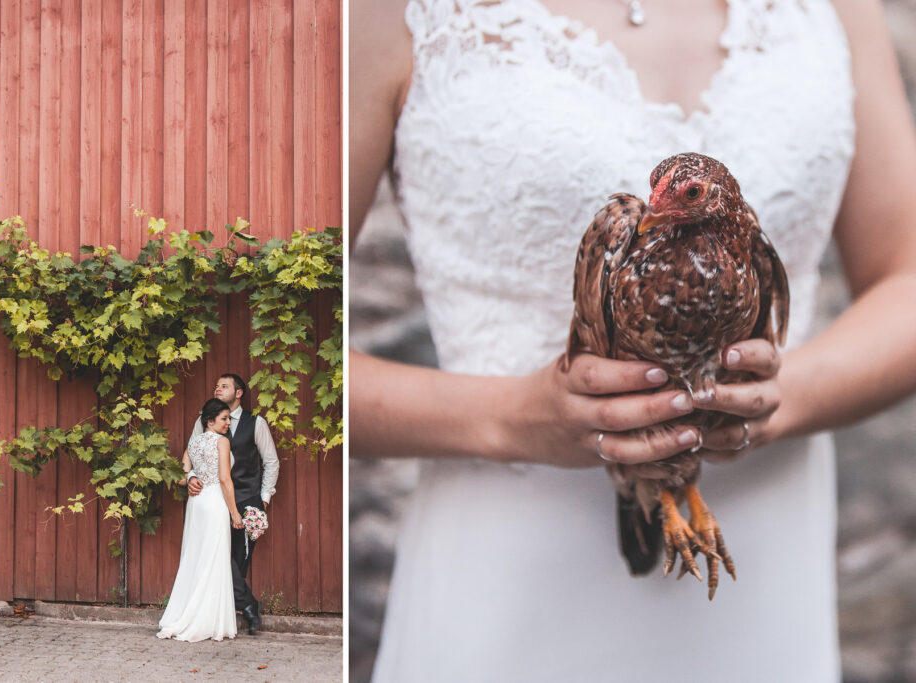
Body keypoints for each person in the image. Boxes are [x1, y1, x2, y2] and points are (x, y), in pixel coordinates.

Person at [350, 0, 916, 680]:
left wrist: (782, 396)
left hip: (767, 552)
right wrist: (511, 419)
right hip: (518, 561)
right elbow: (276, 356)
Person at [186, 373, 279, 635]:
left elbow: (271, 462)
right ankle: (249, 607)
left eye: (224, 385)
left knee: (238, 560)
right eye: (216, 385)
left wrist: (264, 498)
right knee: (216, 556)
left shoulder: (255, 423)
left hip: (247, 500)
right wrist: (190, 476)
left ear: (239, 393)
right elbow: (192, 453)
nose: (218, 387)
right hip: (213, 499)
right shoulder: (203, 421)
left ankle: (227, 610)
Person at [157, 398, 241, 642]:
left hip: (197, 503)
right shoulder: (222, 442)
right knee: (213, 558)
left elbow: (181, 475)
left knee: (195, 557)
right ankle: (208, 621)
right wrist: (235, 512)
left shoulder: (194, 442)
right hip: (215, 501)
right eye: (224, 419)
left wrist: (192, 476)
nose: (228, 423)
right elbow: (225, 479)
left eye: (228, 419)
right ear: (210, 420)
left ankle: (187, 614)